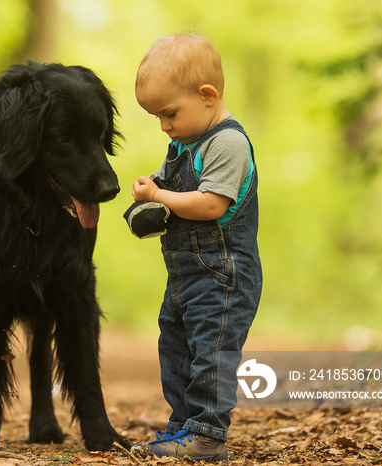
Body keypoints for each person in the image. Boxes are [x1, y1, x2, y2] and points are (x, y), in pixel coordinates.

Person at [128, 33, 263, 461]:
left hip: (223, 273)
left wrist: (160, 198)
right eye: (158, 118)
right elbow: (175, 191)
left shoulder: (228, 143)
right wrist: (151, 194)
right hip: (186, 274)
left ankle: (207, 433)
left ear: (207, 95)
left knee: (212, 351)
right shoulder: (184, 145)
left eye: (169, 114)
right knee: (175, 345)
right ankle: (182, 426)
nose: (165, 126)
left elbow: (209, 204)